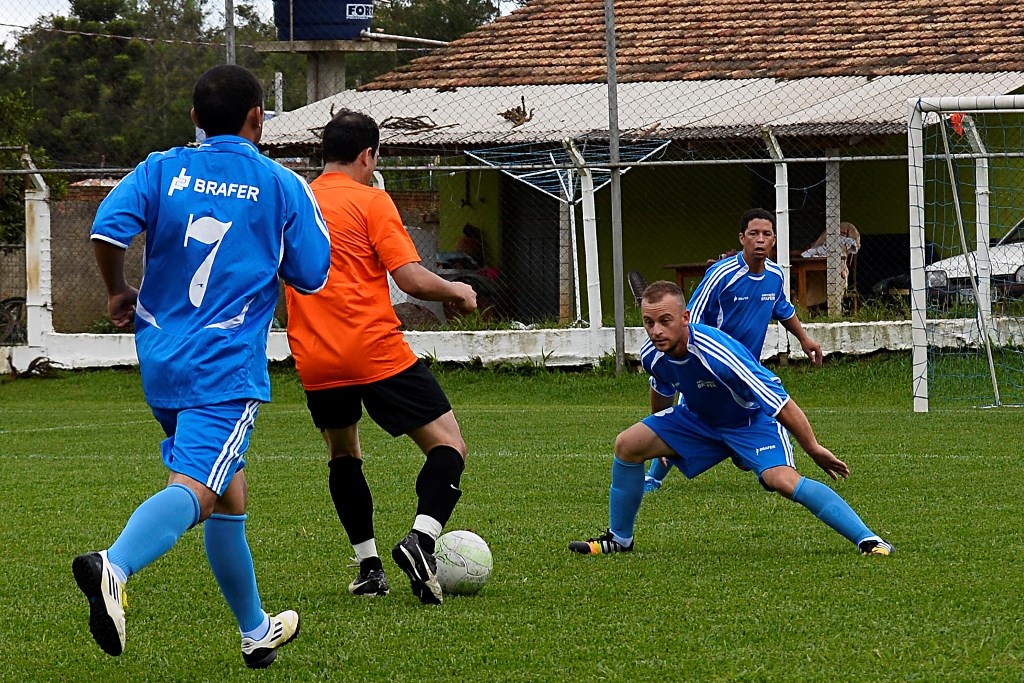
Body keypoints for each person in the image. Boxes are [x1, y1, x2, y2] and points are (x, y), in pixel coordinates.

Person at [76, 64, 330, 668]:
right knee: (196, 486)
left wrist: (118, 291)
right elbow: (312, 273)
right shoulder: (280, 182)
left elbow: (107, 230)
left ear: (194, 118)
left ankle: (256, 628)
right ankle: (114, 565)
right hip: (224, 364)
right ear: (258, 118)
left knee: (228, 491)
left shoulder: (161, 168)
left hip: (161, 359)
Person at [285, 109, 477, 606]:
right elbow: (410, 279)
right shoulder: (372, 200)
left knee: (343, 454)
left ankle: (370, 567)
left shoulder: (293, 199)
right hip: (374, 349)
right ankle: (421, 540)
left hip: (316, 356)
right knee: (449, 444)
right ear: (368, 155)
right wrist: (457, 289)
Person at [569, 280, 893, 557]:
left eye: (665, 321)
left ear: (684, 318)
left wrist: (814, 447)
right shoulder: (653, 352)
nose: (656, 331)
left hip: (749, 424)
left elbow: (781, 403)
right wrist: (664, 436)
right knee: (627, 444)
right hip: (697, 421)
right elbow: (662, 388)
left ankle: (869, 540)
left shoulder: (717, 352)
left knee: (781, 481)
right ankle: (619, 539)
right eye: (649, 322)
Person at [644, 208, 822, 492]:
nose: (760, 240)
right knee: (689, 412)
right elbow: (692, 319)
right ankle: (653, 478)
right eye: (753, 234)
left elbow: (782, 308)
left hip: (744, 367)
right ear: (742, 238)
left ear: (774, 239)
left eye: (766, 234)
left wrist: (804, 339)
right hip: (711, 364)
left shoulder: (775, 275)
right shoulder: (720, 275)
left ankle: (764, 463)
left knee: (753, 412)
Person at [800, 221, 862, 308]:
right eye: (841, 232)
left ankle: (834, 302)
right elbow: (815, 247)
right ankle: (806, 301)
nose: (842, 234)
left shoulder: (846, 243)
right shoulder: (825, 241)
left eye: (844, 232)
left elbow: (853, 246)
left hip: (838, 263)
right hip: (818, 261)